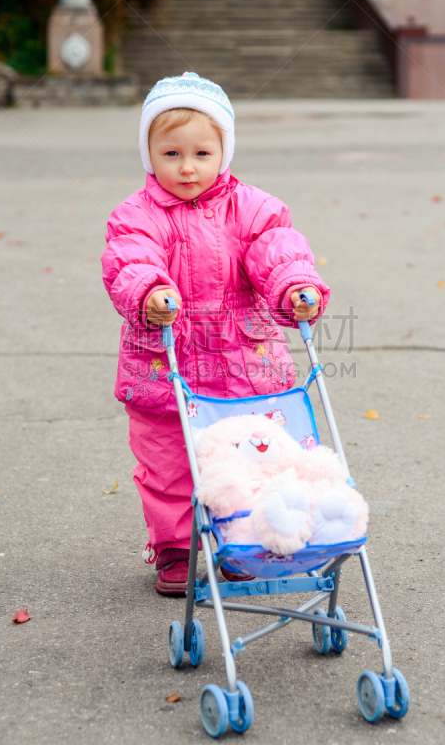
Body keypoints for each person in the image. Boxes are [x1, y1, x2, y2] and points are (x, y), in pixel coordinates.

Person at [102, 72, 330, 596]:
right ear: (149, 154)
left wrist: (296, 286)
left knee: (250, 457)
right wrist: (149, 292)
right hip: (165, 364)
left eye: (202, 154)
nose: (186, 167)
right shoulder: (136, 216)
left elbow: (278, 250)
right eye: (171, 154)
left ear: (223, 152)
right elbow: (130, 260)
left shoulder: (254, 209)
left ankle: (242, 542)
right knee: (168, 464)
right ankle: (177, 548)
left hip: (245, 365)